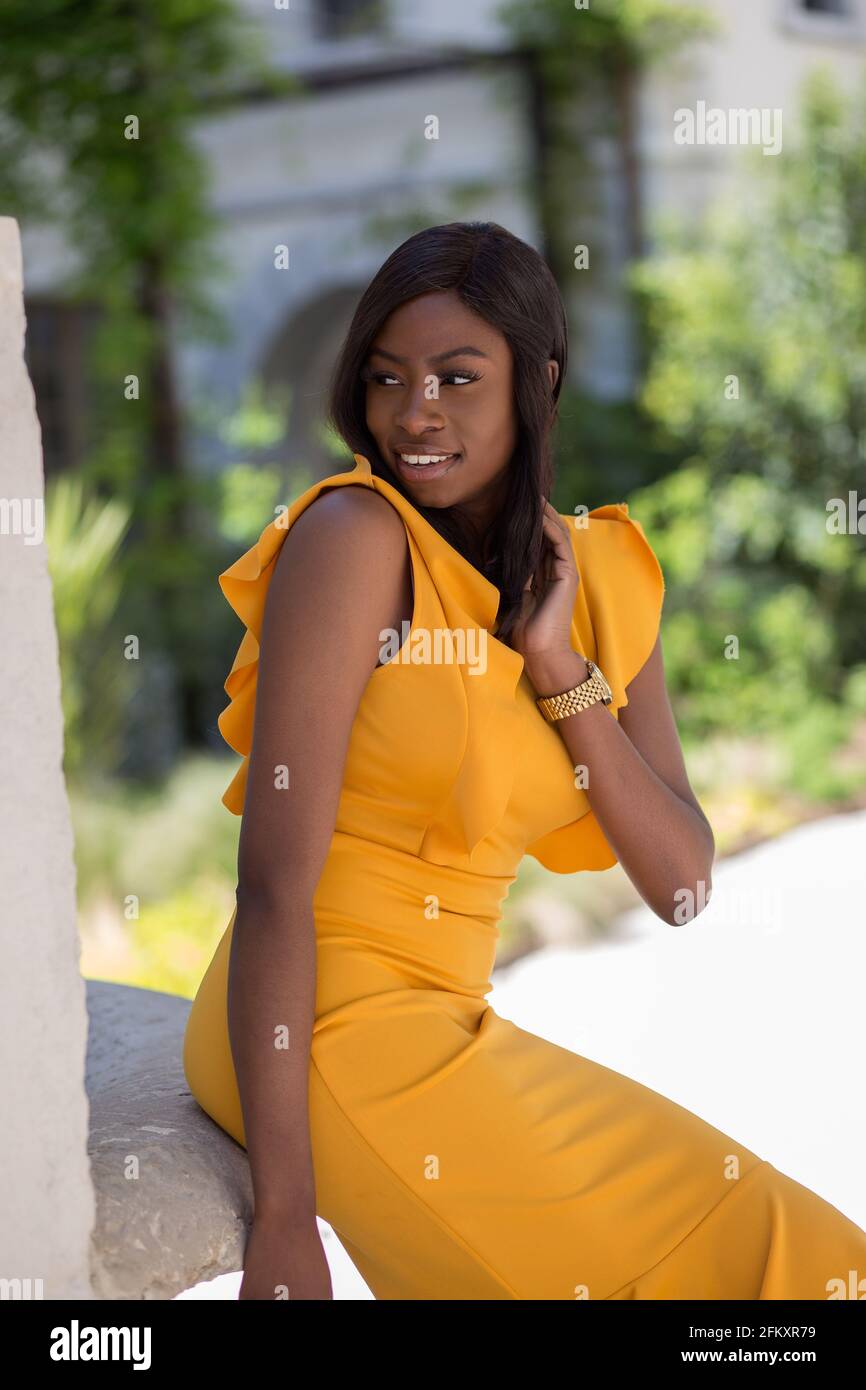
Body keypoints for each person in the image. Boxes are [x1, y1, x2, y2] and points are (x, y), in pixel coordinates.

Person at [183, 221, 866, 1300]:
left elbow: (681, 883)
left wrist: (556, 667)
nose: (417, 413)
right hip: (320, 1023)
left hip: (452, 1019)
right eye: (387, 378)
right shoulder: (356, 540)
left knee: (802, 1259)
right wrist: (285, 1215)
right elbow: (269, 886)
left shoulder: (592, 575)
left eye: (458, 377)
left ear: (535, 383)